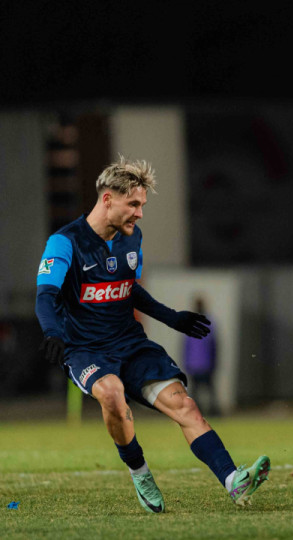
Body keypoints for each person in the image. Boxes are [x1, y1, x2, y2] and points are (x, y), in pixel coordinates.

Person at [35, 157, 270, 513]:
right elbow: (46, 295)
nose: (140, 213)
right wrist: (53, 332)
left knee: (186, 406)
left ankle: (233, 480)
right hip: (85, 349)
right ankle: (139, 471)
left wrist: (172, 317)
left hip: (130, 344)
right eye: (133, 204)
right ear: (107, 199)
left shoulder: (133, 239)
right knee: (112, 393)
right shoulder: (64, 242)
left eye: (142, 204)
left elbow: (130, 289)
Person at [182, 295, 219, 416]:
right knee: (209, 390)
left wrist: (186, 362)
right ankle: (213, 412)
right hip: (206, 363)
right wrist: (215, 362)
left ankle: (195, 412)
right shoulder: (209, 323)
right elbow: (214, 345)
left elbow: (186, 347)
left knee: (195, 391)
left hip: (194, 364)